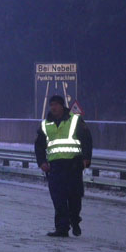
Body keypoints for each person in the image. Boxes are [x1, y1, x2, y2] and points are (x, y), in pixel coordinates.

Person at [35, 95, 93, 237]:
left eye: (55, 104)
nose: (53, 107)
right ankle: (62, 228)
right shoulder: (45, 124)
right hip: (55, 167)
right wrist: (42, 161)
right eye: (51, 105)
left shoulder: (75, 120)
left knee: (74, 197)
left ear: (62, 106)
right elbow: (39, 145)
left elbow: (86, 140)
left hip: (73, 165)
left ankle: (74, 219)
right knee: (58, 198)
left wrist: (86, 158)